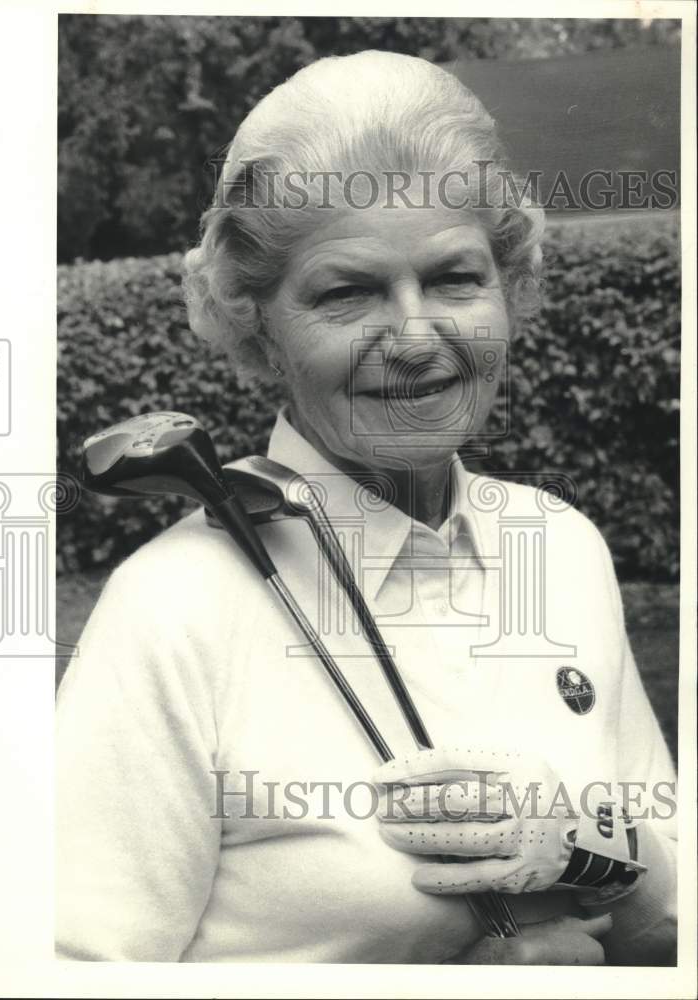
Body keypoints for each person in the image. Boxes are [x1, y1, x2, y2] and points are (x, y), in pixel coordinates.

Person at [56, 50, 677, 965]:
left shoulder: (562, 546)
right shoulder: (173, 612)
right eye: (346, 292)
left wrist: (592, 844)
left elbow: (669, 920)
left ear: (510, 287)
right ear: (255, 325)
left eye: (455, 278)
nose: (416, 337)